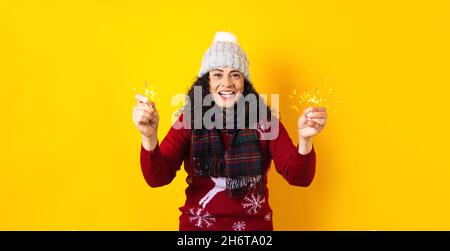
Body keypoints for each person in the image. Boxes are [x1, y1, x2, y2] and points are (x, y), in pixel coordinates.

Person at [132, 31, 328, 230]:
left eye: (235, 74)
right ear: (206, 82)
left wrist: (305, 140)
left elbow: (299, 178)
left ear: (245, 83)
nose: (227, 83)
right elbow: (157, 178)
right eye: (217, 74)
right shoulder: (189, 122)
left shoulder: (266, 123)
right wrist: (149, 136)